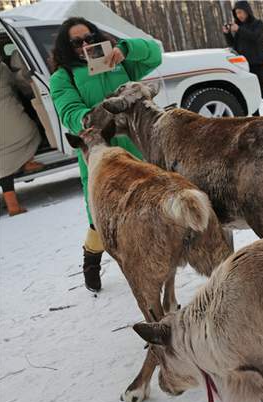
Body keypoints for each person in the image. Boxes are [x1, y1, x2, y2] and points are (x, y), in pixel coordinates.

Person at [49, 17, 162, 292]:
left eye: (89, 37)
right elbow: (68, 110)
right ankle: (91, 258)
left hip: (135, 148)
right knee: (100, 221)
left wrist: (125, 48)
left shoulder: (120, 60)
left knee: (145, 210)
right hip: (99, 153)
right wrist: (86, 119)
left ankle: (149, 269)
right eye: (77, 42)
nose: (85, 45)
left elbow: (155, 53)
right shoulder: (62, 77)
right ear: (67, 46)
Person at [0, 61, 44, 216]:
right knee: (32, 132)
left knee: (3, 159)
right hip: (9, 115)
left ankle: (13, 206)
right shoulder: (1, 67)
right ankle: (27, 161)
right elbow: (14, 82)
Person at [223, 1, 263, 116]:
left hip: (256, 63)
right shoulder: (239, 27)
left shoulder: (257, 23)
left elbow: (255, 37)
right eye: (236, 13)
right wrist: (227, 34)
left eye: (240, 12)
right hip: (243, 65)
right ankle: (256, 120)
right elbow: (233, 46)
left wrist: (239, 30)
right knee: (250, 94)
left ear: (247, 10)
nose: (239, 15)